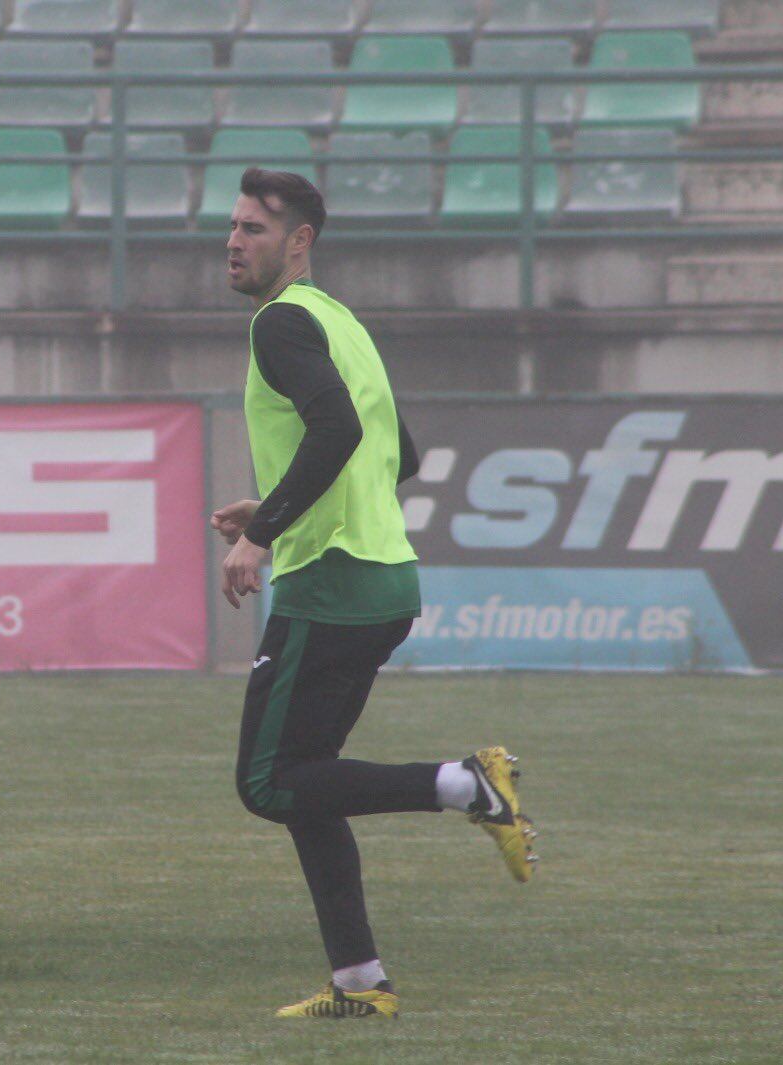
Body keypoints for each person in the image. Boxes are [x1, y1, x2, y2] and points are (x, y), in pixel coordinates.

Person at [212, 167, 539, 1021]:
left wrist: (263, 530)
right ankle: (361, 981)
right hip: (381, 575)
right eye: (234, 225)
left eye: (254, 228)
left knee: (266, 782)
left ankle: (469, 786)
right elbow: (403, 455)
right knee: (307, 779)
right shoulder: (339, 323)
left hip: (333, 581)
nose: (235, 240)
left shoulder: (281, 323)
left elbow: (341, 428)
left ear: (300, 241)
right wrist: (279, 500)